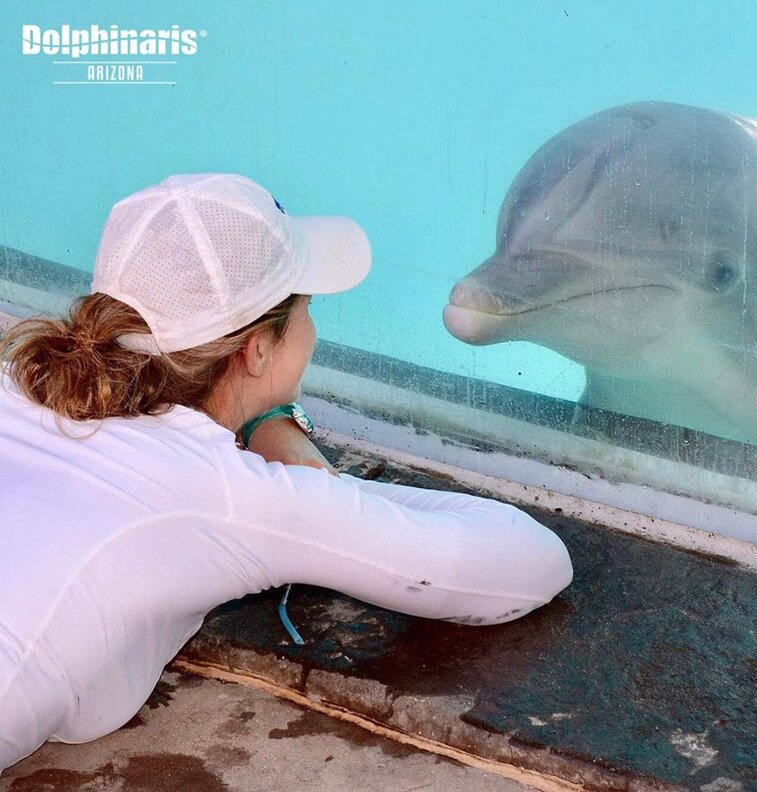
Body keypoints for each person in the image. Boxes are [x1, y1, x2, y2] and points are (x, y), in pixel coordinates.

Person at [0, 173, 573, 771]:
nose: (313, 332)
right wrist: (300, 475)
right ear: (257, 352)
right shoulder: (225, 495)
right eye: (306, 308)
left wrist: (257, 420)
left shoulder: (16, 380)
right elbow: (530, 565)